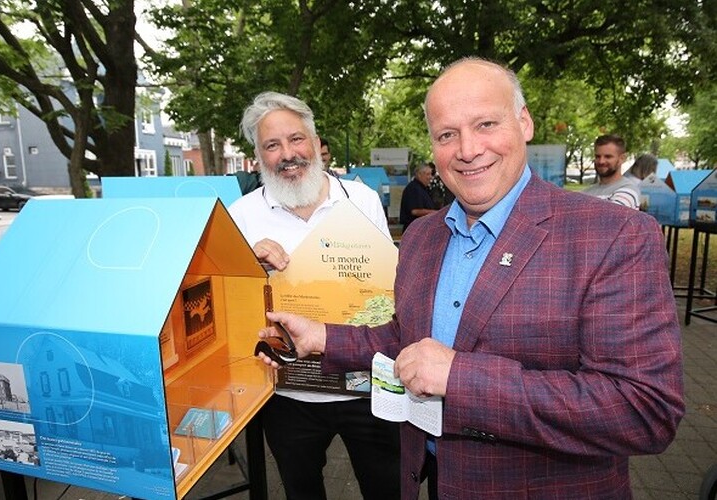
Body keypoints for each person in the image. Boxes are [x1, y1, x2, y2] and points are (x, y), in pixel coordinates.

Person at [257, 58, 684, 499]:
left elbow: (644, 412)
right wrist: (320, 336)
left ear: (524, 123)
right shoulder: (423, 237)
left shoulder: (614, 235)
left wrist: (459, 377)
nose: (467, 149)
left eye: (485, 124)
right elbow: (408, 342)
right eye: (446, 134)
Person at [227, 91, 400, 500]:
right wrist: (248, 272)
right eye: (272, 145)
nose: (287, 154)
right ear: (258, 156)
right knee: (302, 492)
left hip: (363, 382)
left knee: (386, 488)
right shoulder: (241, 215)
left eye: (295, 139)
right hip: (289, 392)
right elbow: (232, 310)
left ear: (315, 140)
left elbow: (385, 289)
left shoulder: (362, 201)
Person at [583, 134, 640, 209]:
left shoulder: (629, 191)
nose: (601, 161)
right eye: (598, 156)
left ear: (622, 158)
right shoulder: (585, 192)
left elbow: (612, 217)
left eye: (608, 157)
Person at [399, 162, 437, 231]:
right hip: (415, 230)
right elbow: (415, 211)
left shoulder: (423, 188)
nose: (430, 177)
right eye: (428, 174)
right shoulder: (413, 188)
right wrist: (437, 213)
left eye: (431, 174)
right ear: (419, 174)